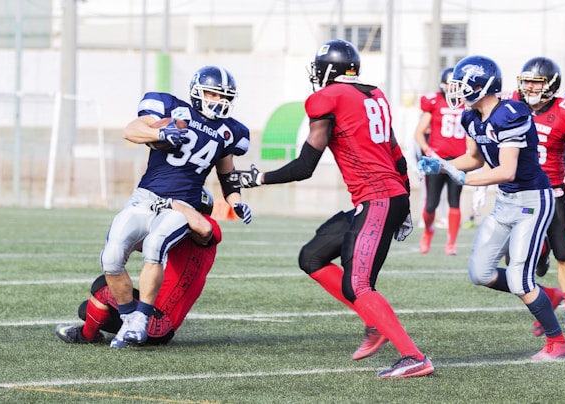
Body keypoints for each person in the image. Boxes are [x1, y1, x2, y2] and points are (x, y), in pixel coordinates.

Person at [227, 39, 434, 379]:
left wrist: (258, 177)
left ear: (328, 71)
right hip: (386, 196)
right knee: (312, 257)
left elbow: (305, 165)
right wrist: (406, 204)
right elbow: (395, 152)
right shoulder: (374, 95)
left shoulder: (327, 98)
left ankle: (413, 356)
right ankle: (374, 322)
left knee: (359, 285)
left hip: (378, 198)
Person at [418, 55, 565, 359]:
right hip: (506, 201)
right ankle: (549, 295)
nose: (456, 91)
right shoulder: (470, 117)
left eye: (462, 85)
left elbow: (506, 170)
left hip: (532, 200)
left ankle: (557, 342)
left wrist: (464, 179)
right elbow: (474, 158)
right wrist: (442, 165)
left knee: (519, 280)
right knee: (480, 272)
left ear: (481, 85)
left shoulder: (510, 113)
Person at [101, 65, 252, 348]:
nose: (218, 101)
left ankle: (142, 320)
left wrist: (237, 201)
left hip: (182, 205)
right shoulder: (172, 108)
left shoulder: (229, 132)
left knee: (155, 246)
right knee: (111, 257)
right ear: (197, 91)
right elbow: (131, 130)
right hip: (145, 198)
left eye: (223, 97)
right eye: (212, 94)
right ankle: (129, 319)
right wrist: (161, 135)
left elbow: (226, 175)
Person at [56, 189, 221, 345]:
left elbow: (204, 230)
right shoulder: (182, 232)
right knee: (87, 310)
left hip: (158, 322)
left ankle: (86, 336)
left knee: (103, 287)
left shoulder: (207, 226)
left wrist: (174, 204)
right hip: (158, 322)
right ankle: (96, 332)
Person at [512, 57, 565, 331]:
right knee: (514, 259)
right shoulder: (512, 104)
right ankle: (546, 290)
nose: (529, 88)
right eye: (526, 82)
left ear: (551, 85)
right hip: (521, 194)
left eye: (536, 82)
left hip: (553, 192)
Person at [414, 67, 467, 255]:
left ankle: (451, 243)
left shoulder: (468, 104)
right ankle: (428, 232)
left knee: (455, 202)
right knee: (431, 204)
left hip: (459, 161)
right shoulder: (434, 101)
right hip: (436, 161)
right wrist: (428, 150)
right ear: (442, 85)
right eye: (450, 85)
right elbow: (419, 133)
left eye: (457, 86)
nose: (453, 90)